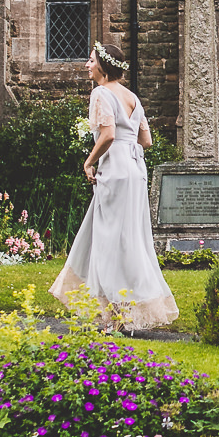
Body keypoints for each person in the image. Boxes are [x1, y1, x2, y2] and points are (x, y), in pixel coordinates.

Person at [51, 42, 178, 332]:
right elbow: (146, 141)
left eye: (91, 60)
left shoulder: (101, 93)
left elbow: (107, 134)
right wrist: (125, 144)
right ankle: (122, 310)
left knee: (109, 242)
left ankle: (114, 314)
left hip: (115, 170)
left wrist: (89, 161)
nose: (87, 65)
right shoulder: (132, 96)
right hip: (135, 170)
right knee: (129, 238)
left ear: (103, 66)